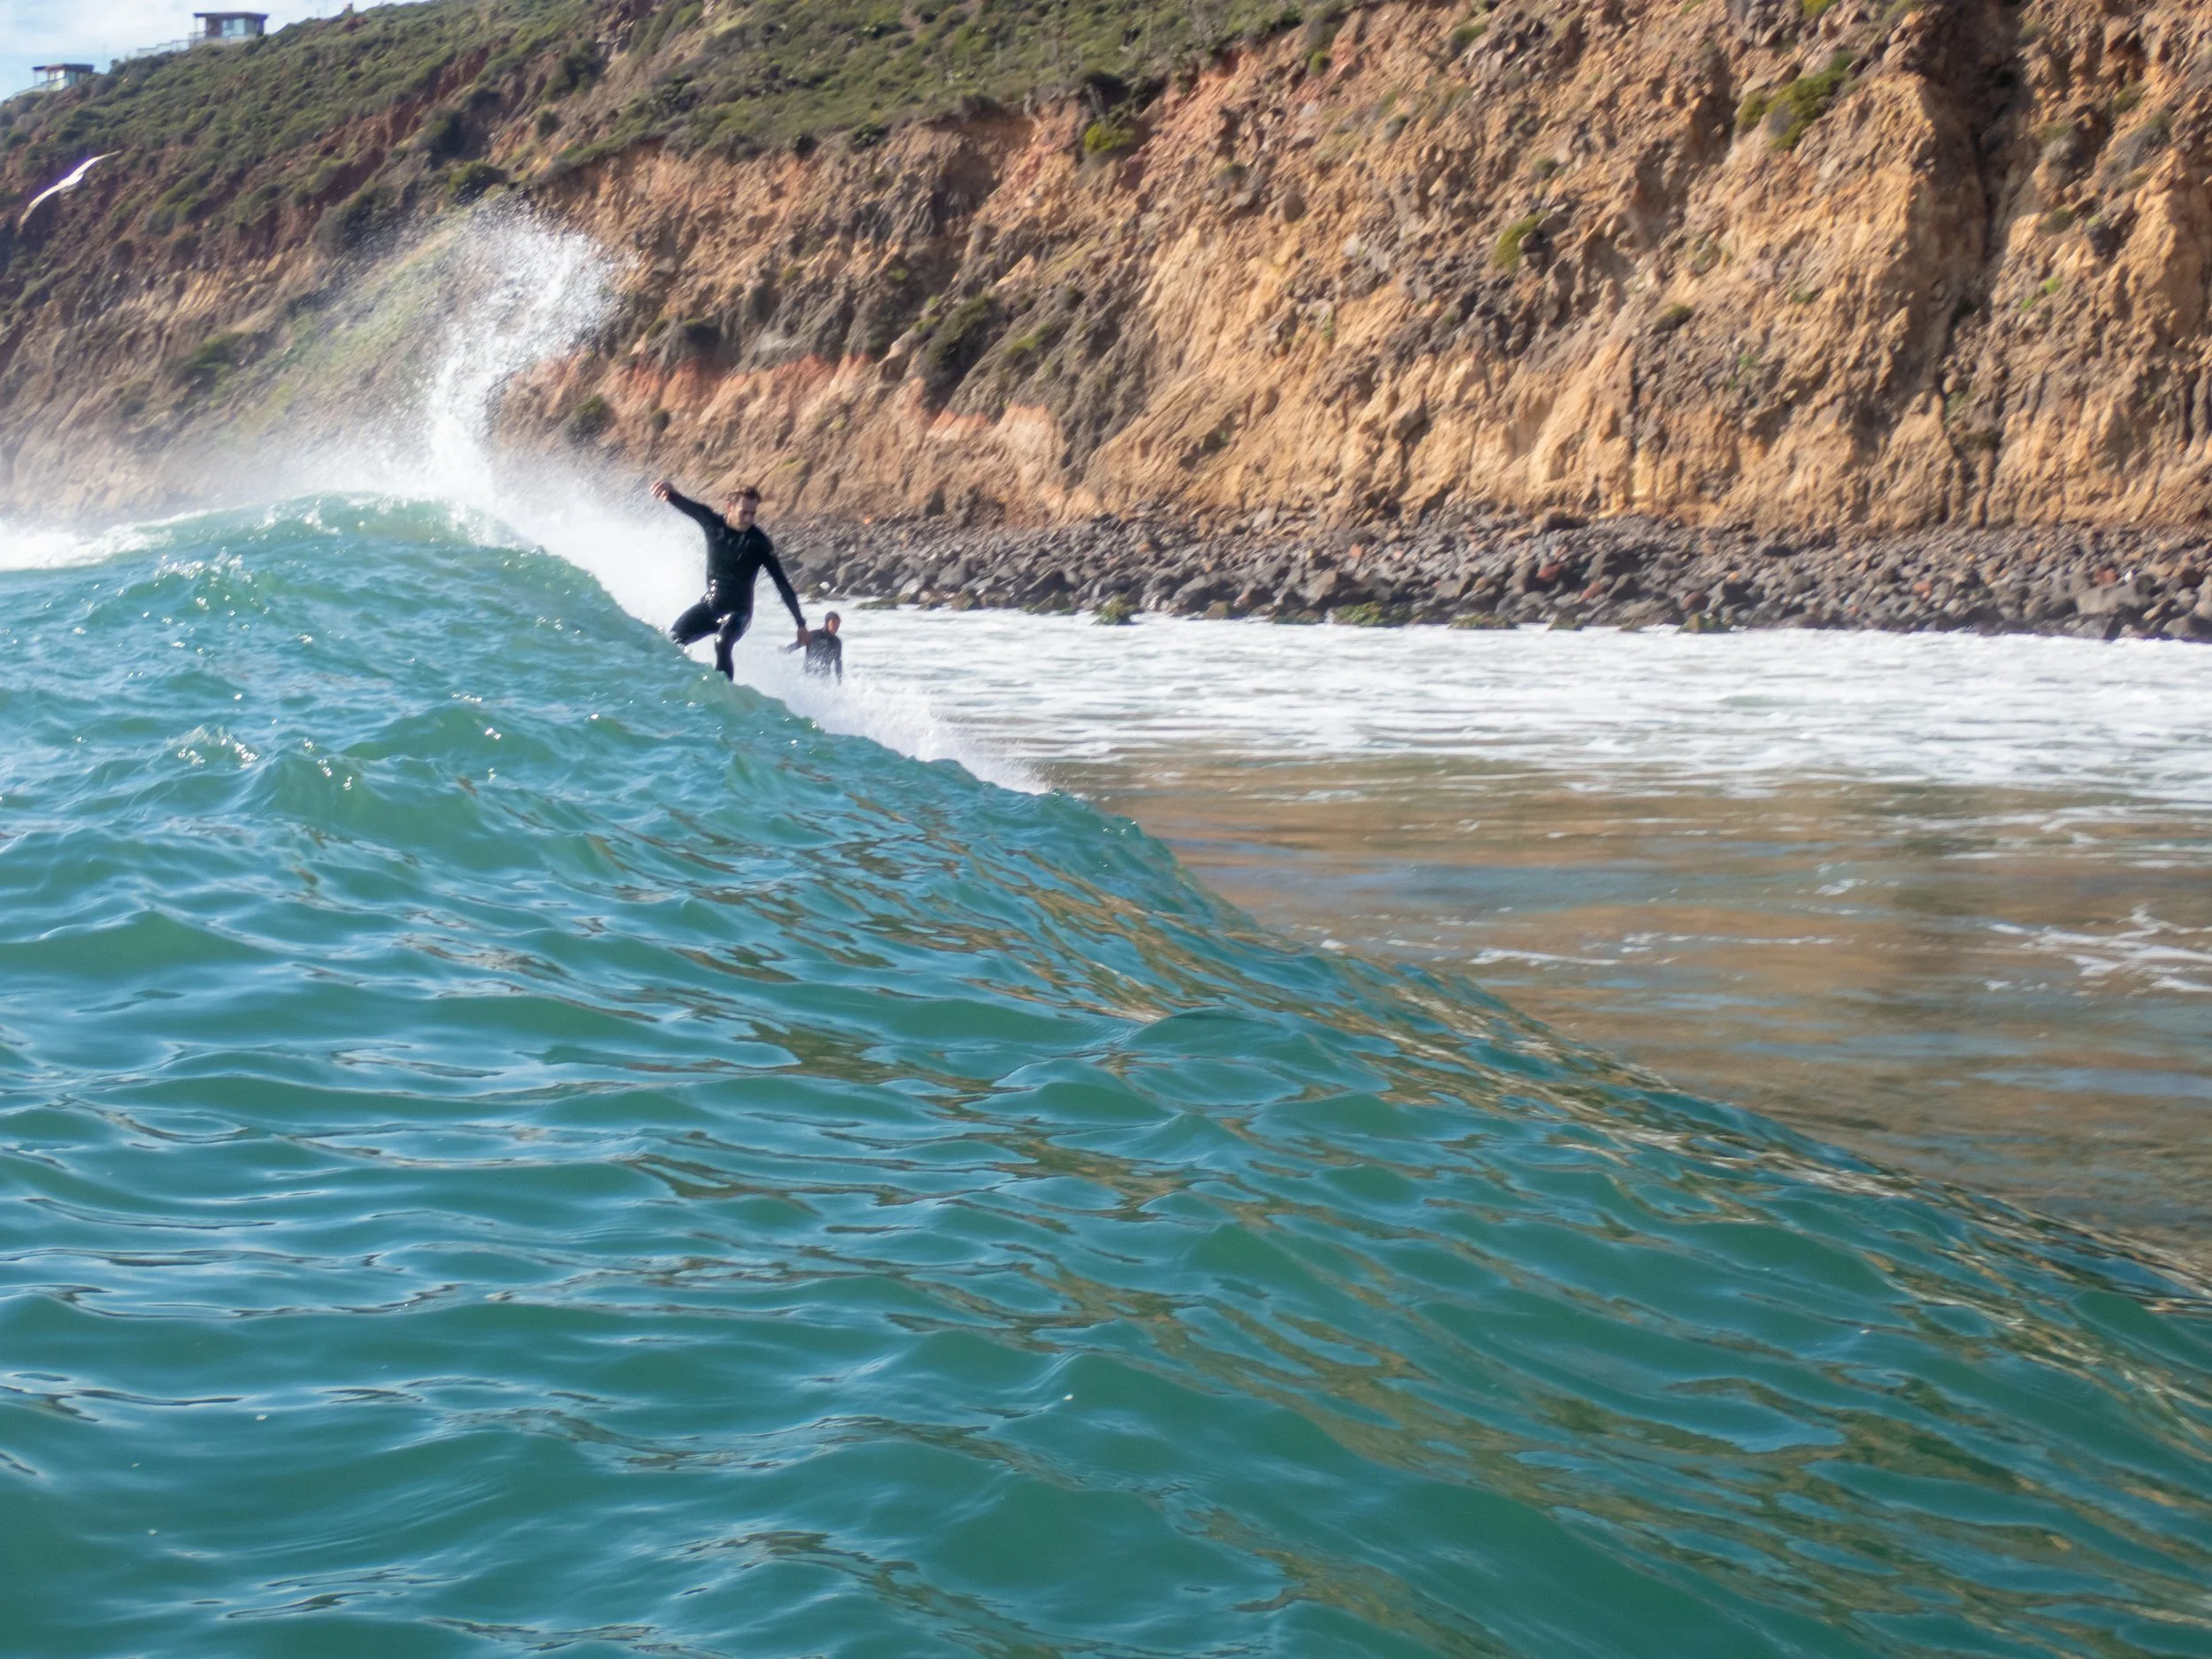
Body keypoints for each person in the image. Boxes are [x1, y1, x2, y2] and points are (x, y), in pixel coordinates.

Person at [654, 479, 808, 680]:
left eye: (753, 513)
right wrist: (669, 491)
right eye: (744, 512)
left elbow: (782, 584)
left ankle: (722, 693)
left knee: (722, 642)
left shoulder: (758, 543)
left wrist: (800, 624)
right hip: (709, 605)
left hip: (739, 614)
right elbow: (685, 505)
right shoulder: (712, 523)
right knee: (673, 640)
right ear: (729, 507)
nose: (749, 518)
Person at [787, 610, 843, 681]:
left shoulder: (837, 642)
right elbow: (797, 645)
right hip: (808, 677)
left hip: (824, 680)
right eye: (834, 623)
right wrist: (784, 651)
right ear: (827, 622)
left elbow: (838, 663)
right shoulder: (813, 635)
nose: (837, 627)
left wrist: (839, 681)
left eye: (838, 624)